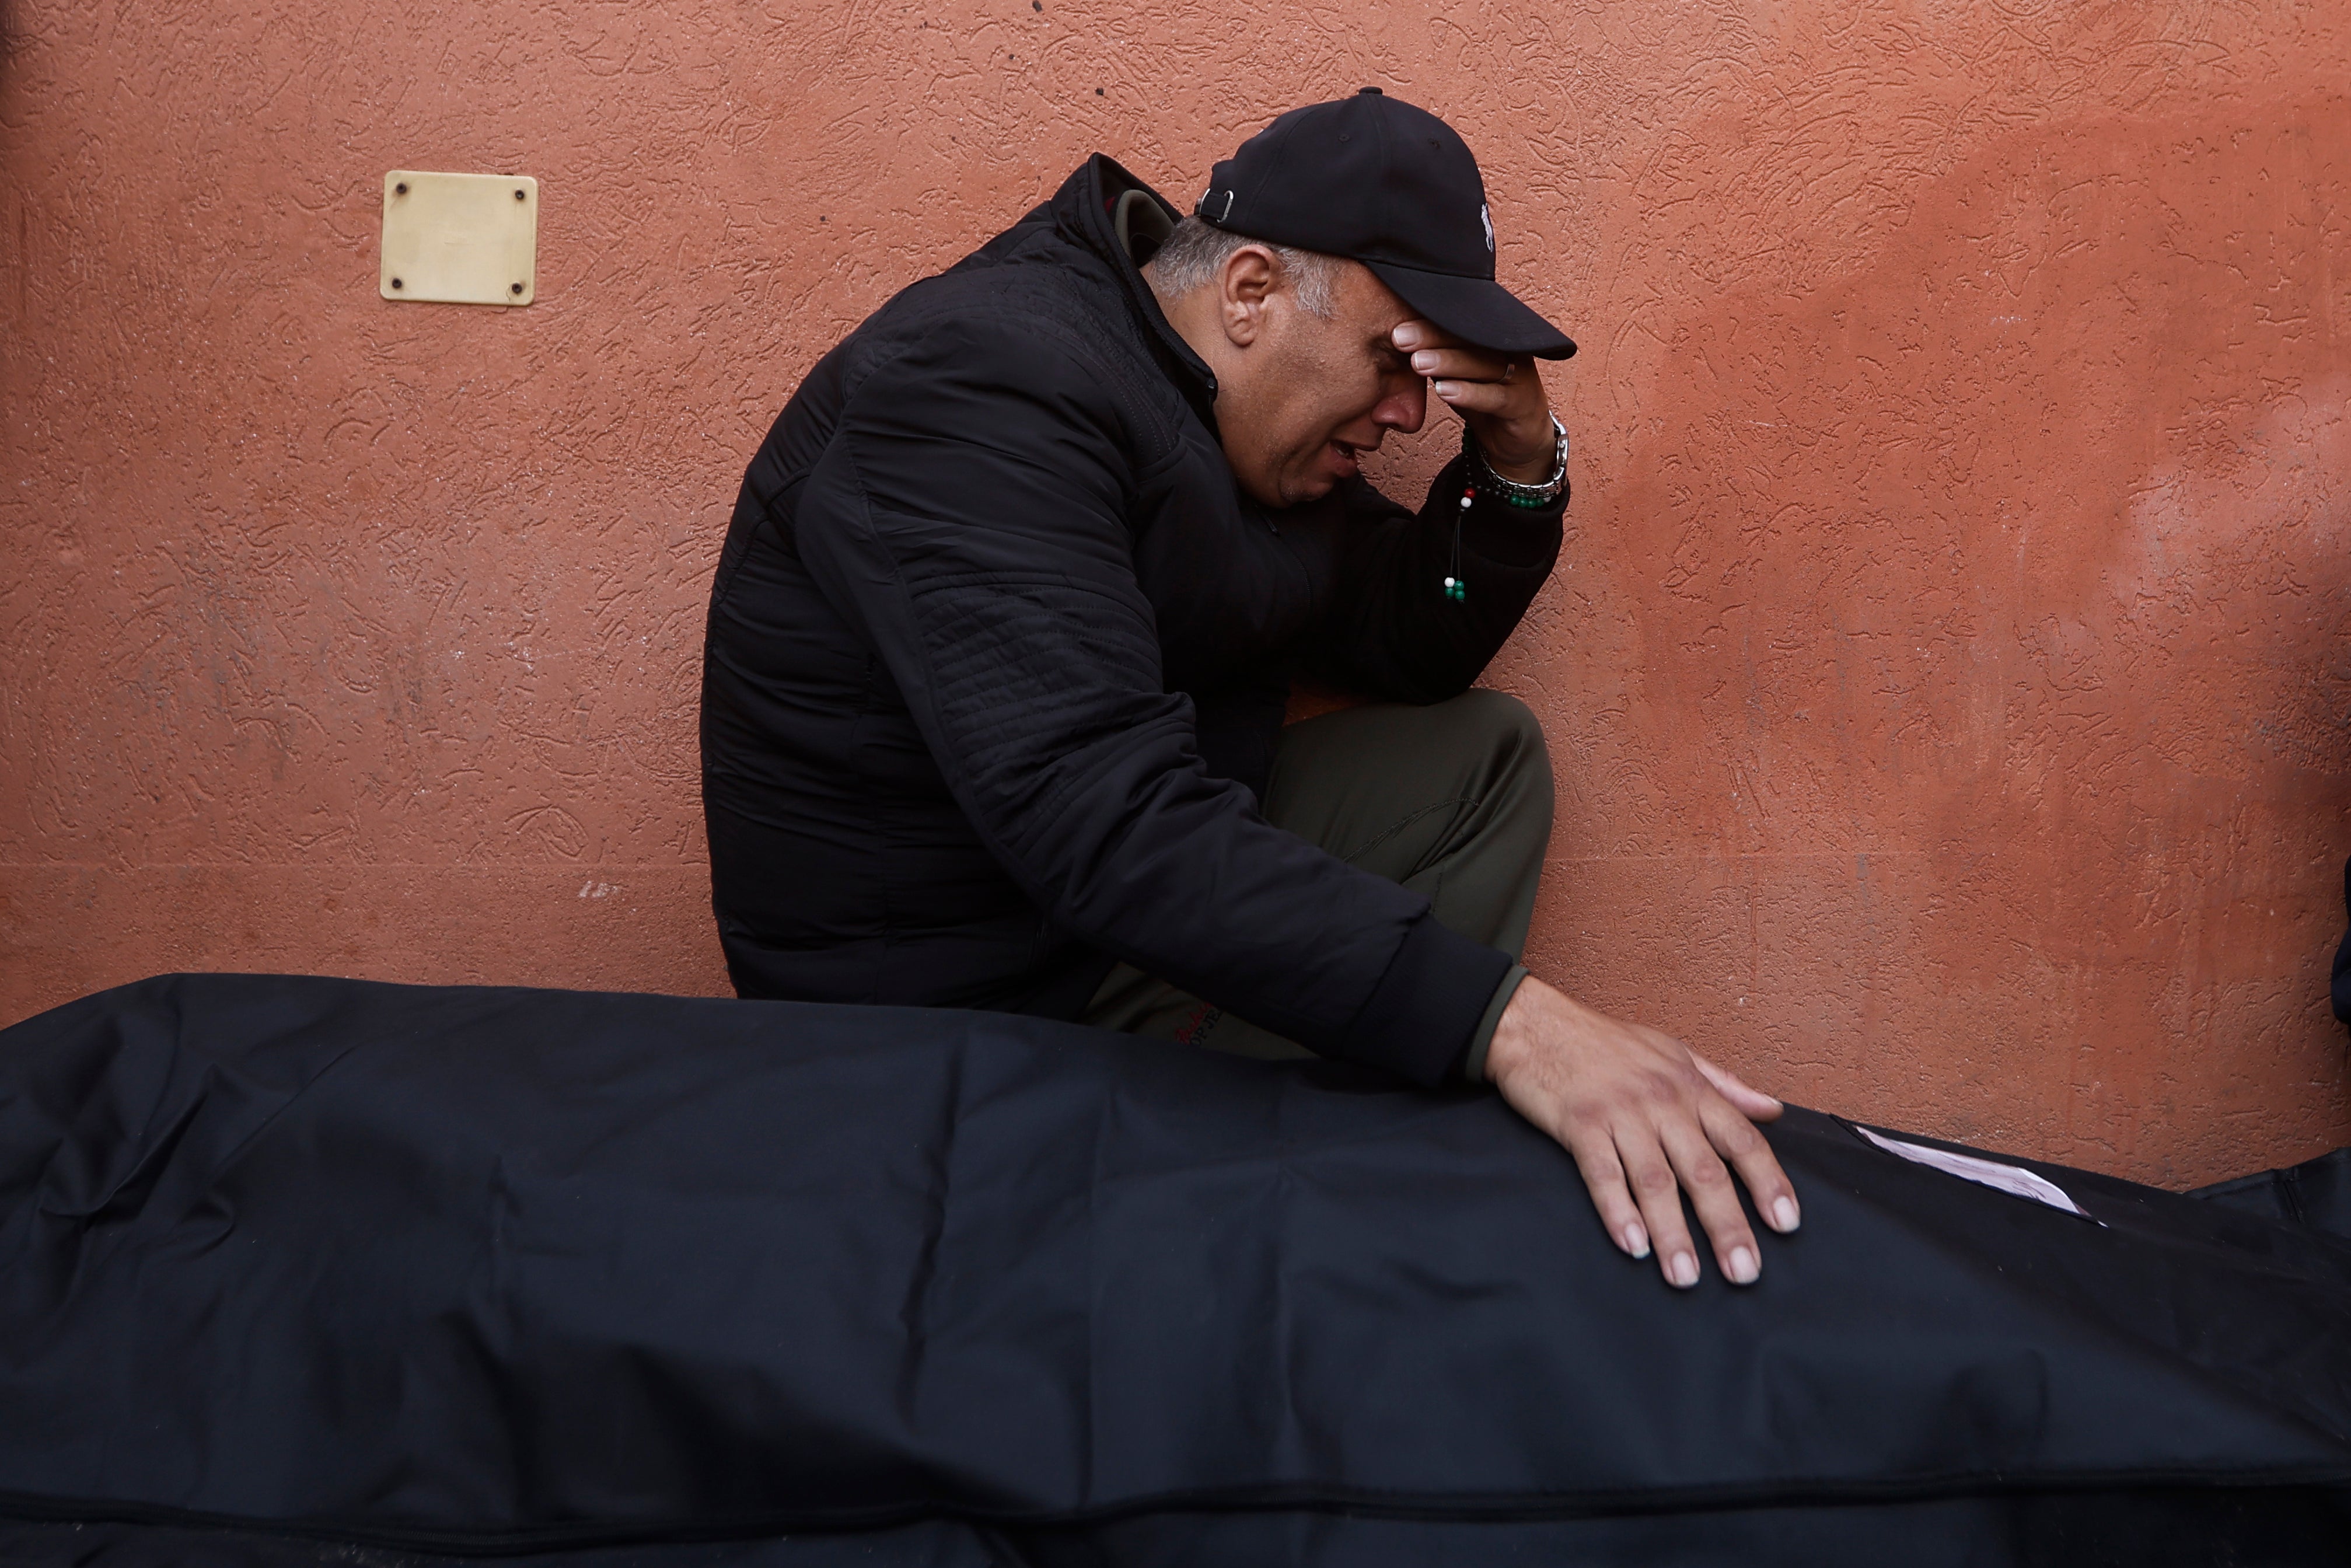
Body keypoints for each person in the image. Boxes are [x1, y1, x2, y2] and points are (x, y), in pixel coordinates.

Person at [700, 90, 1799, 1288]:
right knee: (1402, 1002)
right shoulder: (981, 386)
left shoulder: (1214, 410)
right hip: (946, 1019)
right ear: (1250, 294)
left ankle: (1308, 1175)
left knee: (1476, 761)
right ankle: (1261, 1246)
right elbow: (1102, 819)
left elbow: (1411, 636)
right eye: (1395, 358)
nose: (1410, 412)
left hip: (1081, 924)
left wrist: (1518, 467)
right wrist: (1511, 1025)